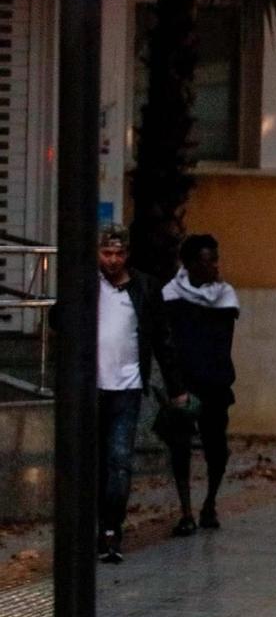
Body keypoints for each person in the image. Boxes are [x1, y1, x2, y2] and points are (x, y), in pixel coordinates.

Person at [94, 224, 182, 562]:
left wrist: (176, 388)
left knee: (118, 462)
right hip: (92, 387)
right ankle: (98, 526)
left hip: (126, 388)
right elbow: (63, 319)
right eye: (106, 253)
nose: (113, 260)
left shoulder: (144, 288)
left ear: (127, 254)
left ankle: (111, 529)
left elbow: (162, 338)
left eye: (118, 254)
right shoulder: (88, 285)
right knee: (93, 463)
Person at [158, 235, 238, 536]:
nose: (213, 266)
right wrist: (174, 383)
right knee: (180, 447)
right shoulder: (170, 296)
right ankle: (186, 511)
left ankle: (210, 504)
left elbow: (224, 342)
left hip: (216, 384)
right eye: (206, 261)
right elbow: (167, 343)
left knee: (217, 448)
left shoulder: (226, 296)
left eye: (215, 259)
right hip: (183, 384)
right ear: (189, 264)